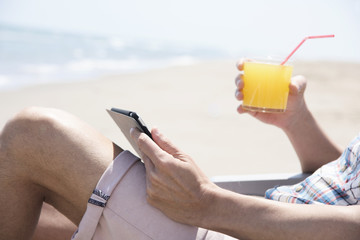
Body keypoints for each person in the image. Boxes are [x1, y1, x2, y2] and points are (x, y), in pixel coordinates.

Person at [0, 59, 359, 240]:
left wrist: (210, 204)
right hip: (261, 221)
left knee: (34, 135)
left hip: (248, 225)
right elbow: (343, 183)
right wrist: (296, 121)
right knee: (43, 217)